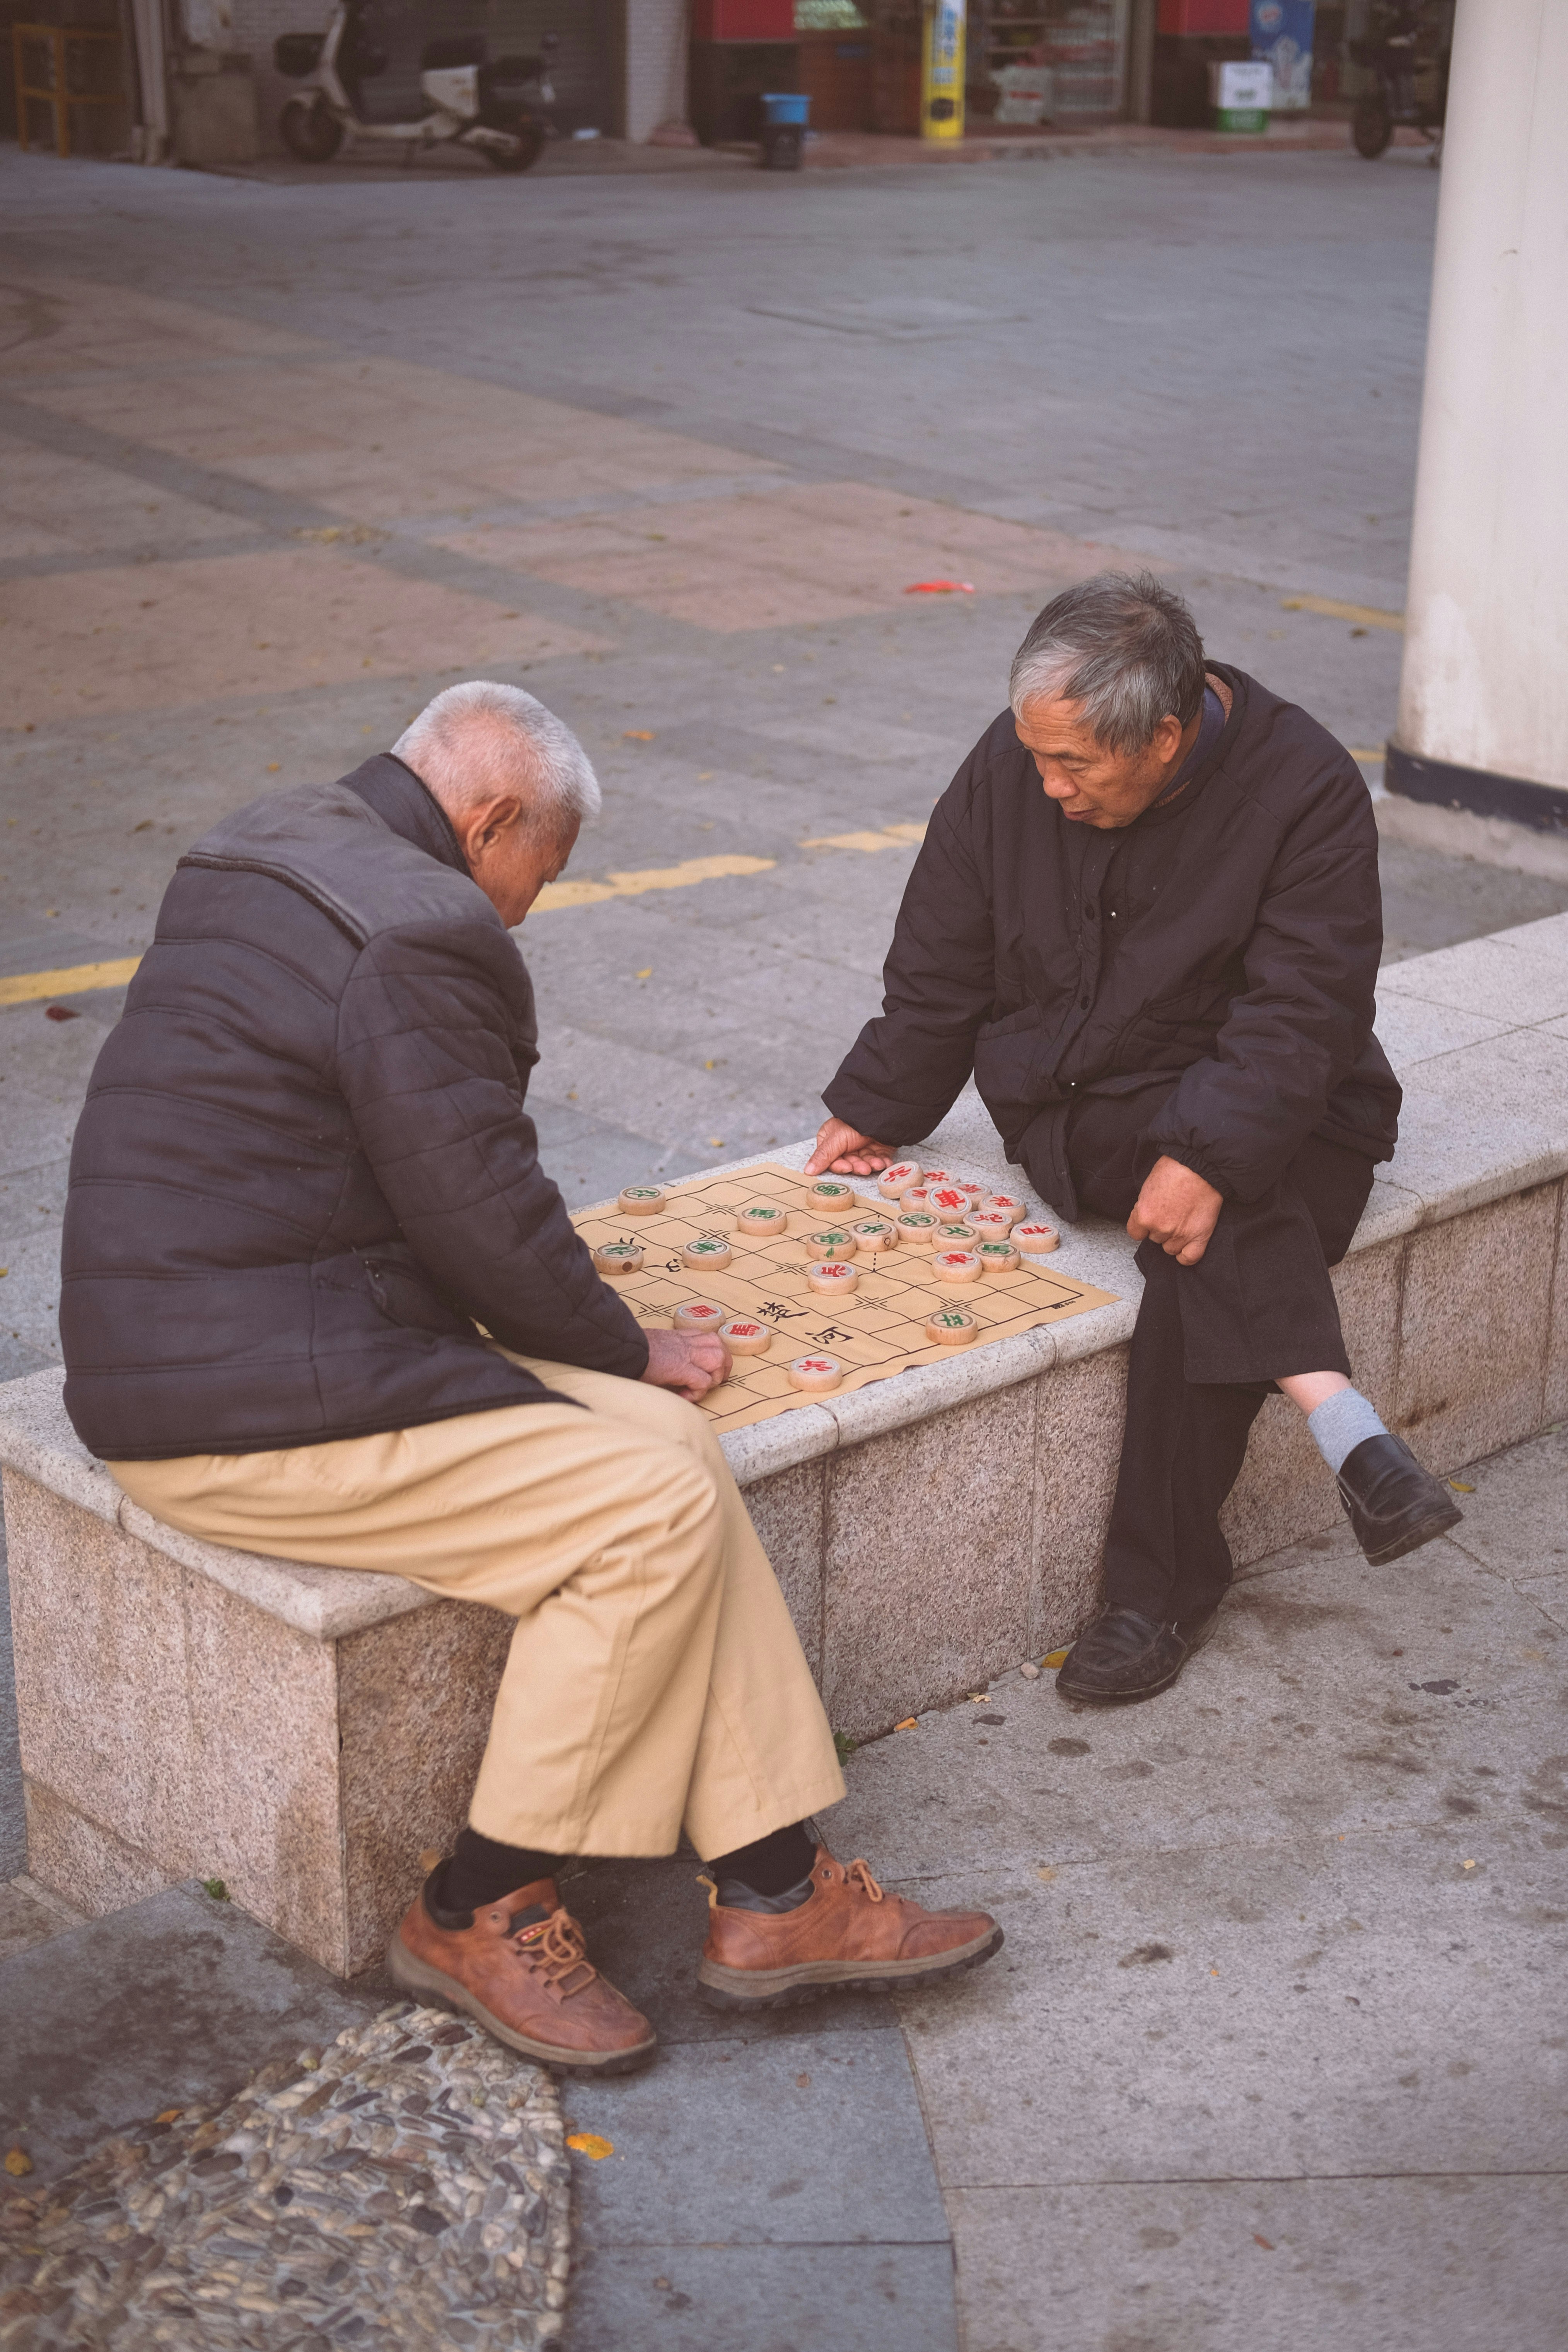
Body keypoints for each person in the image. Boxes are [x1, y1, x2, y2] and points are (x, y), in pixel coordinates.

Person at [59, 681, 1000, 2073]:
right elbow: (481, 1213)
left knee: (679, 1459)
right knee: (644, 1510)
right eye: (539, 872)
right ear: (490, 820)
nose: (529, 908)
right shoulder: (427, 928)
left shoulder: (267, 836)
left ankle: (777, 1891)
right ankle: (473, 1905)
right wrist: (627, 1346)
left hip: (211, 1335)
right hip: (241, 1404)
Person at [807, 573, 1461, 1707]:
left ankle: (1149, 1596)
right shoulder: (1016, 765)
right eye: (1037, 756)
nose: (1046, 785)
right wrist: (880, 1097)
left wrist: (1208, 1157)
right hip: (1089, 1101)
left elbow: (1305, 1009)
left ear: (1165, 735)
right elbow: (940, 959)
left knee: (1207, 1227)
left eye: (1076, 768)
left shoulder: (1303, 786)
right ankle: (1343, 1425)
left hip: (1290, 1103)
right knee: (1214, 1203)